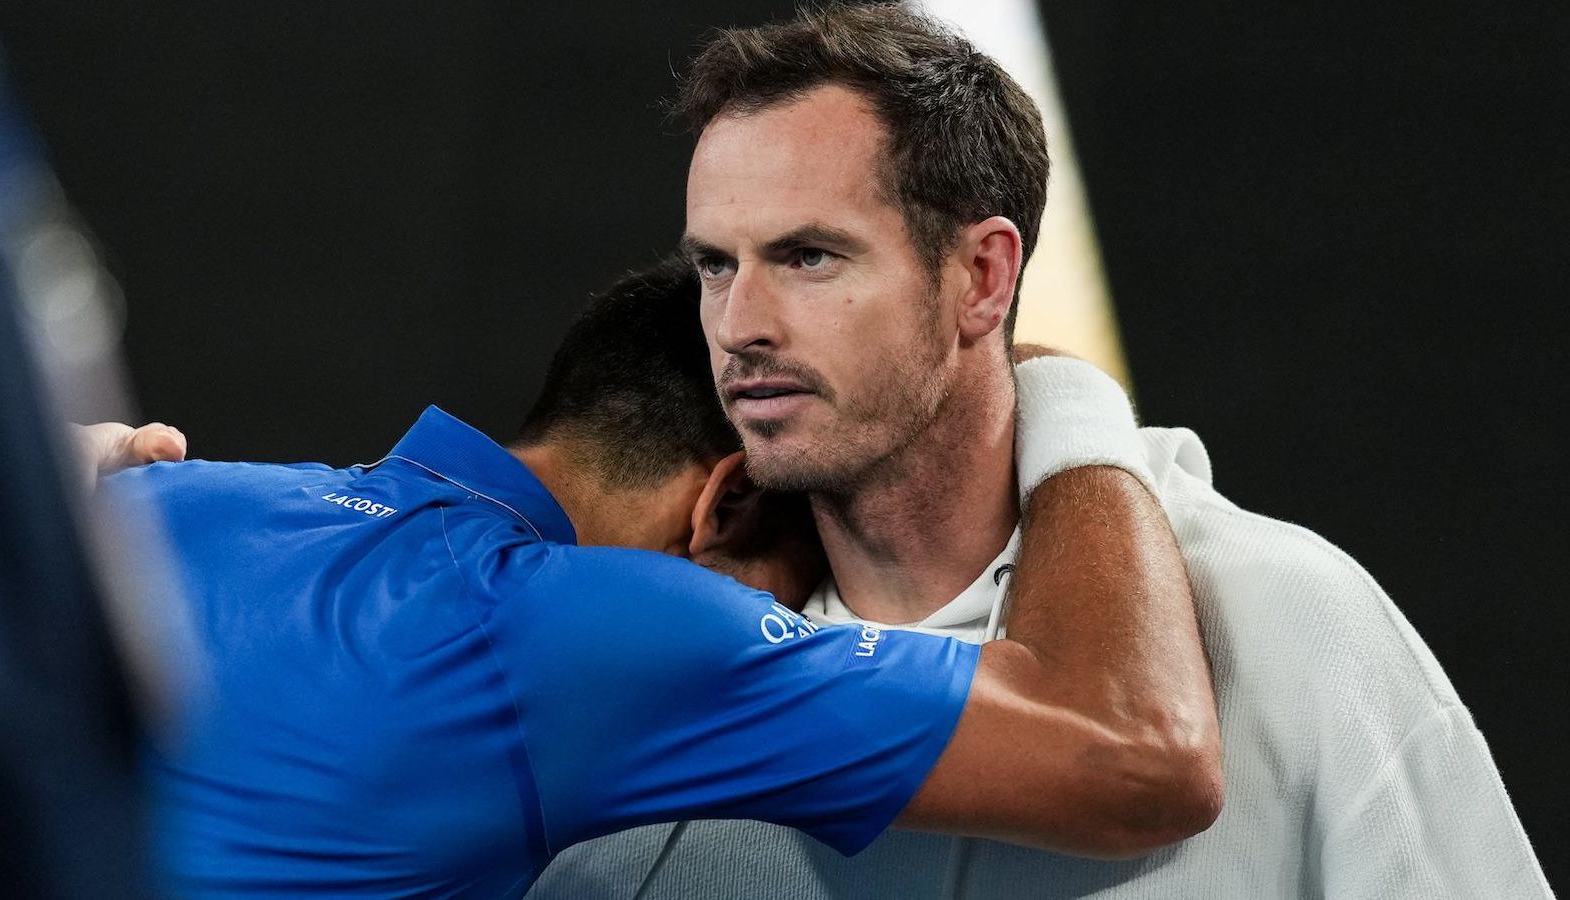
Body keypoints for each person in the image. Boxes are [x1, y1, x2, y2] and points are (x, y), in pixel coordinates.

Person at [528, 5, 1552, 899]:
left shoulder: (1286, 618)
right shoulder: (674, 683)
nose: (738, 323)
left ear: (982, 275)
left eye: (808, 256)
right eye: (715, 265)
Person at [98, 259, 1220, 899]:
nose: (798, 620)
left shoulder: (145, 494)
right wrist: (1062, 390)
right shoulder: (595, 628)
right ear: (723, 502)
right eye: (797, 593)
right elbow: (1135, 755)